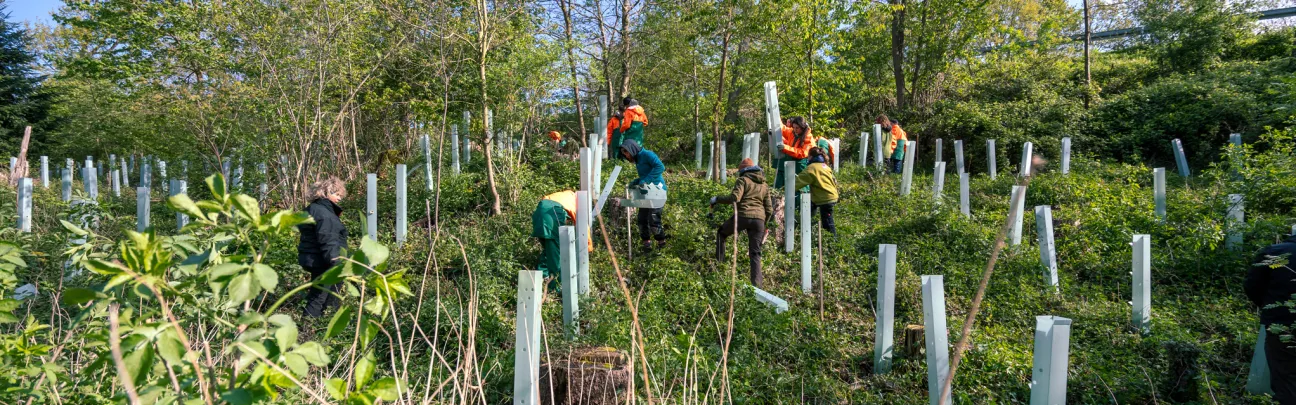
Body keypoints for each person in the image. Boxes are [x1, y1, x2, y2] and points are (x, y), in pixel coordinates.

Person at [1245, 233, 1296, 403]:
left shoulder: (1274, 252)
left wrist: (1269, 307)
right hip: (1280, 322)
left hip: (1281, 325)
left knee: (1285, 380)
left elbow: (1252, 286)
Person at [710, 158, 774, 287]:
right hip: (759, 221)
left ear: (743, 171)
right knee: (755, 253)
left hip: (743, 216)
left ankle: (719, 267)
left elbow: (735, 198)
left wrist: (717, 199)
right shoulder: (764, 185)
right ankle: (757, 286)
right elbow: (769, 209)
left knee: (721, 234)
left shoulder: (743, 180)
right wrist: (764, 223)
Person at [298, 176, 349, 318]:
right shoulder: (324, 214)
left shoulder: (313, 209)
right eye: (336, 194)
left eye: (340, 195)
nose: (339, 198)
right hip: (324, 260)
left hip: (315, 258)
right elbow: (328, 239)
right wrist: (336, 263)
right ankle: (310, 329)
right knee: (320, 296)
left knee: (324, 294)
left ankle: (318, 326)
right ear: (326, 193)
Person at [531, 190, 591, 289]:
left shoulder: (563, 196)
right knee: (557, 254)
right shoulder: (576, 202)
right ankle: (556, 288)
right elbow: (584, 228)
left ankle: (543, 275)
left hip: (539, 214)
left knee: (549, 249)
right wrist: (587, 247)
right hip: (552, 215)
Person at [620, 139, 667, 249]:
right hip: (646, 192)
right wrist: (637, 181)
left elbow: (660, 167)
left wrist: (646, 179)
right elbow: (645, 174)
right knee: (642, 218)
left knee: (653, 218)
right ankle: (647, 244)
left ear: (632, 149)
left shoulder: (647, 154)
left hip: (657, 191)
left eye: (626, 153)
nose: (626, 156)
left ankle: (661, 243)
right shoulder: (638, 160)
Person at [795, 147, 840, 235]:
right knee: (810, 208)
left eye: (808, 156)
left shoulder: (811, 168)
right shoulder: (824, 166)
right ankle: (810, 225)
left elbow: (798, 182)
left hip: (825, 198)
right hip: (831, 195)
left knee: (827, 221)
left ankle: (832, 240)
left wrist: (784, 190)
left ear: (811, 156)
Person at [773, 116, 813, 189]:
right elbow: (783, 129)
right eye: (794, 127)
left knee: (800, 187)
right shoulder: (792, 132)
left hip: (801, 165)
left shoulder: (808, 137)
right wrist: (776, 117)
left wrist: (785, 148)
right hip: (792, 162)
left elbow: (802, 153)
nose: (795, 130)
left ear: (802, 127)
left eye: (797, 128)